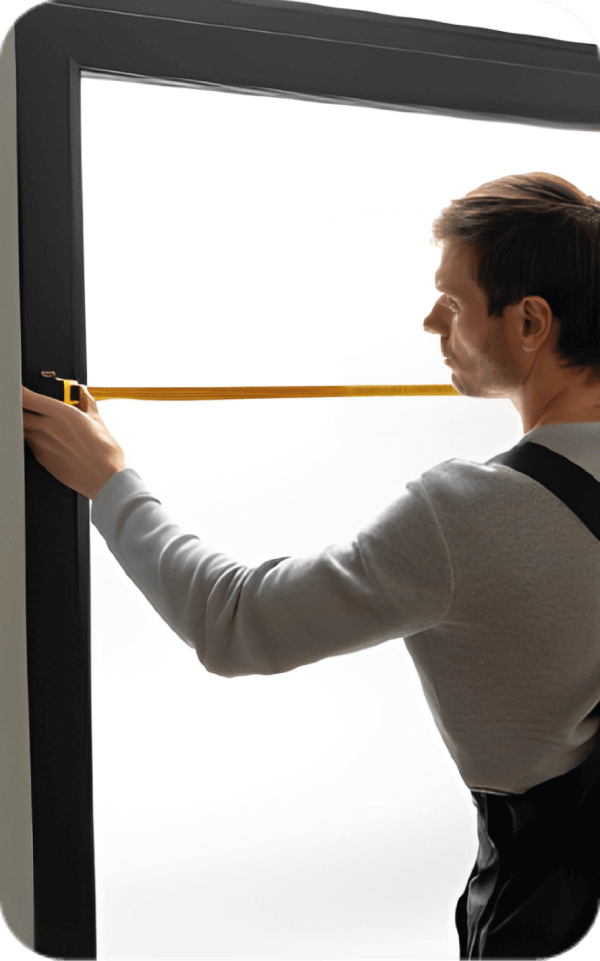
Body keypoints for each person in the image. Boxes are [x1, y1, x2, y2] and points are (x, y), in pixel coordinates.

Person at [23, 172, 600, 959]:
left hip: (548, 917)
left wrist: (109, 481)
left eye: (454, 302)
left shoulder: (466, 514)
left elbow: (235, 623)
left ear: (531, 321)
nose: (430, 320)